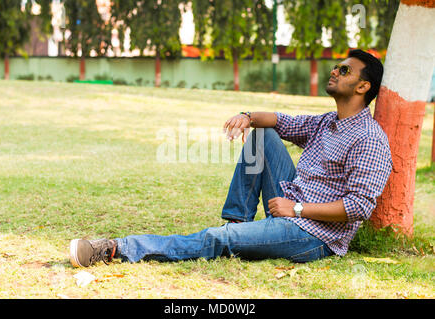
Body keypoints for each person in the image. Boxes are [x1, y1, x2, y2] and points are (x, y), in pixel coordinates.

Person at [69, 49, 392, 268]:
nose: (335, 70)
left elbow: (357, 208)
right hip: (290, 206)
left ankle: (116, 248)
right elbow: (281, 122)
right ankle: (238, 221)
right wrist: (247, 115)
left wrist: (296, 209)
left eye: (345, 69)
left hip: (314, 234)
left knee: (216, 239)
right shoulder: (327, 121)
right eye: (337, 65)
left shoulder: (370, 139)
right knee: (263, 133)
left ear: (363, 86)